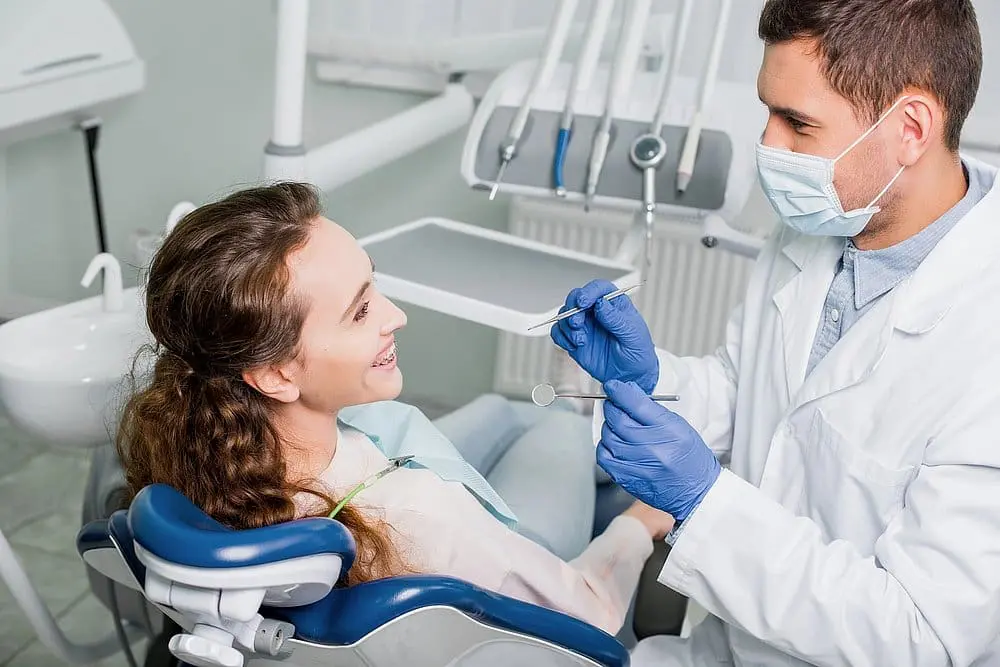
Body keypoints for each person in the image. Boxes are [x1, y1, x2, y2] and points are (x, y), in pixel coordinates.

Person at [553, 0, 1000, 664]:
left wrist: (706, 502)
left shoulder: (981, 336)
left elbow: (921, 636)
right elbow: (751, 395)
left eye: (797, 122)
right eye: (769, 111)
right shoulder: (824, 219)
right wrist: (651, 383)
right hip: (720, 645)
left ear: (910, 127)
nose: (769, 144)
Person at [114, 181, 673, 636]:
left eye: (373, 285)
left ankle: (593, 463)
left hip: (358, 472)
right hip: (497, 549)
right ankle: (602, 469)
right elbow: (591, 615)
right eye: (360, 311)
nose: (395, 316)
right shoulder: (419, 515)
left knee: (501, 413)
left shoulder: (197, 444)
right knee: (555, 426)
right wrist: (635, 526)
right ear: (275, 374)